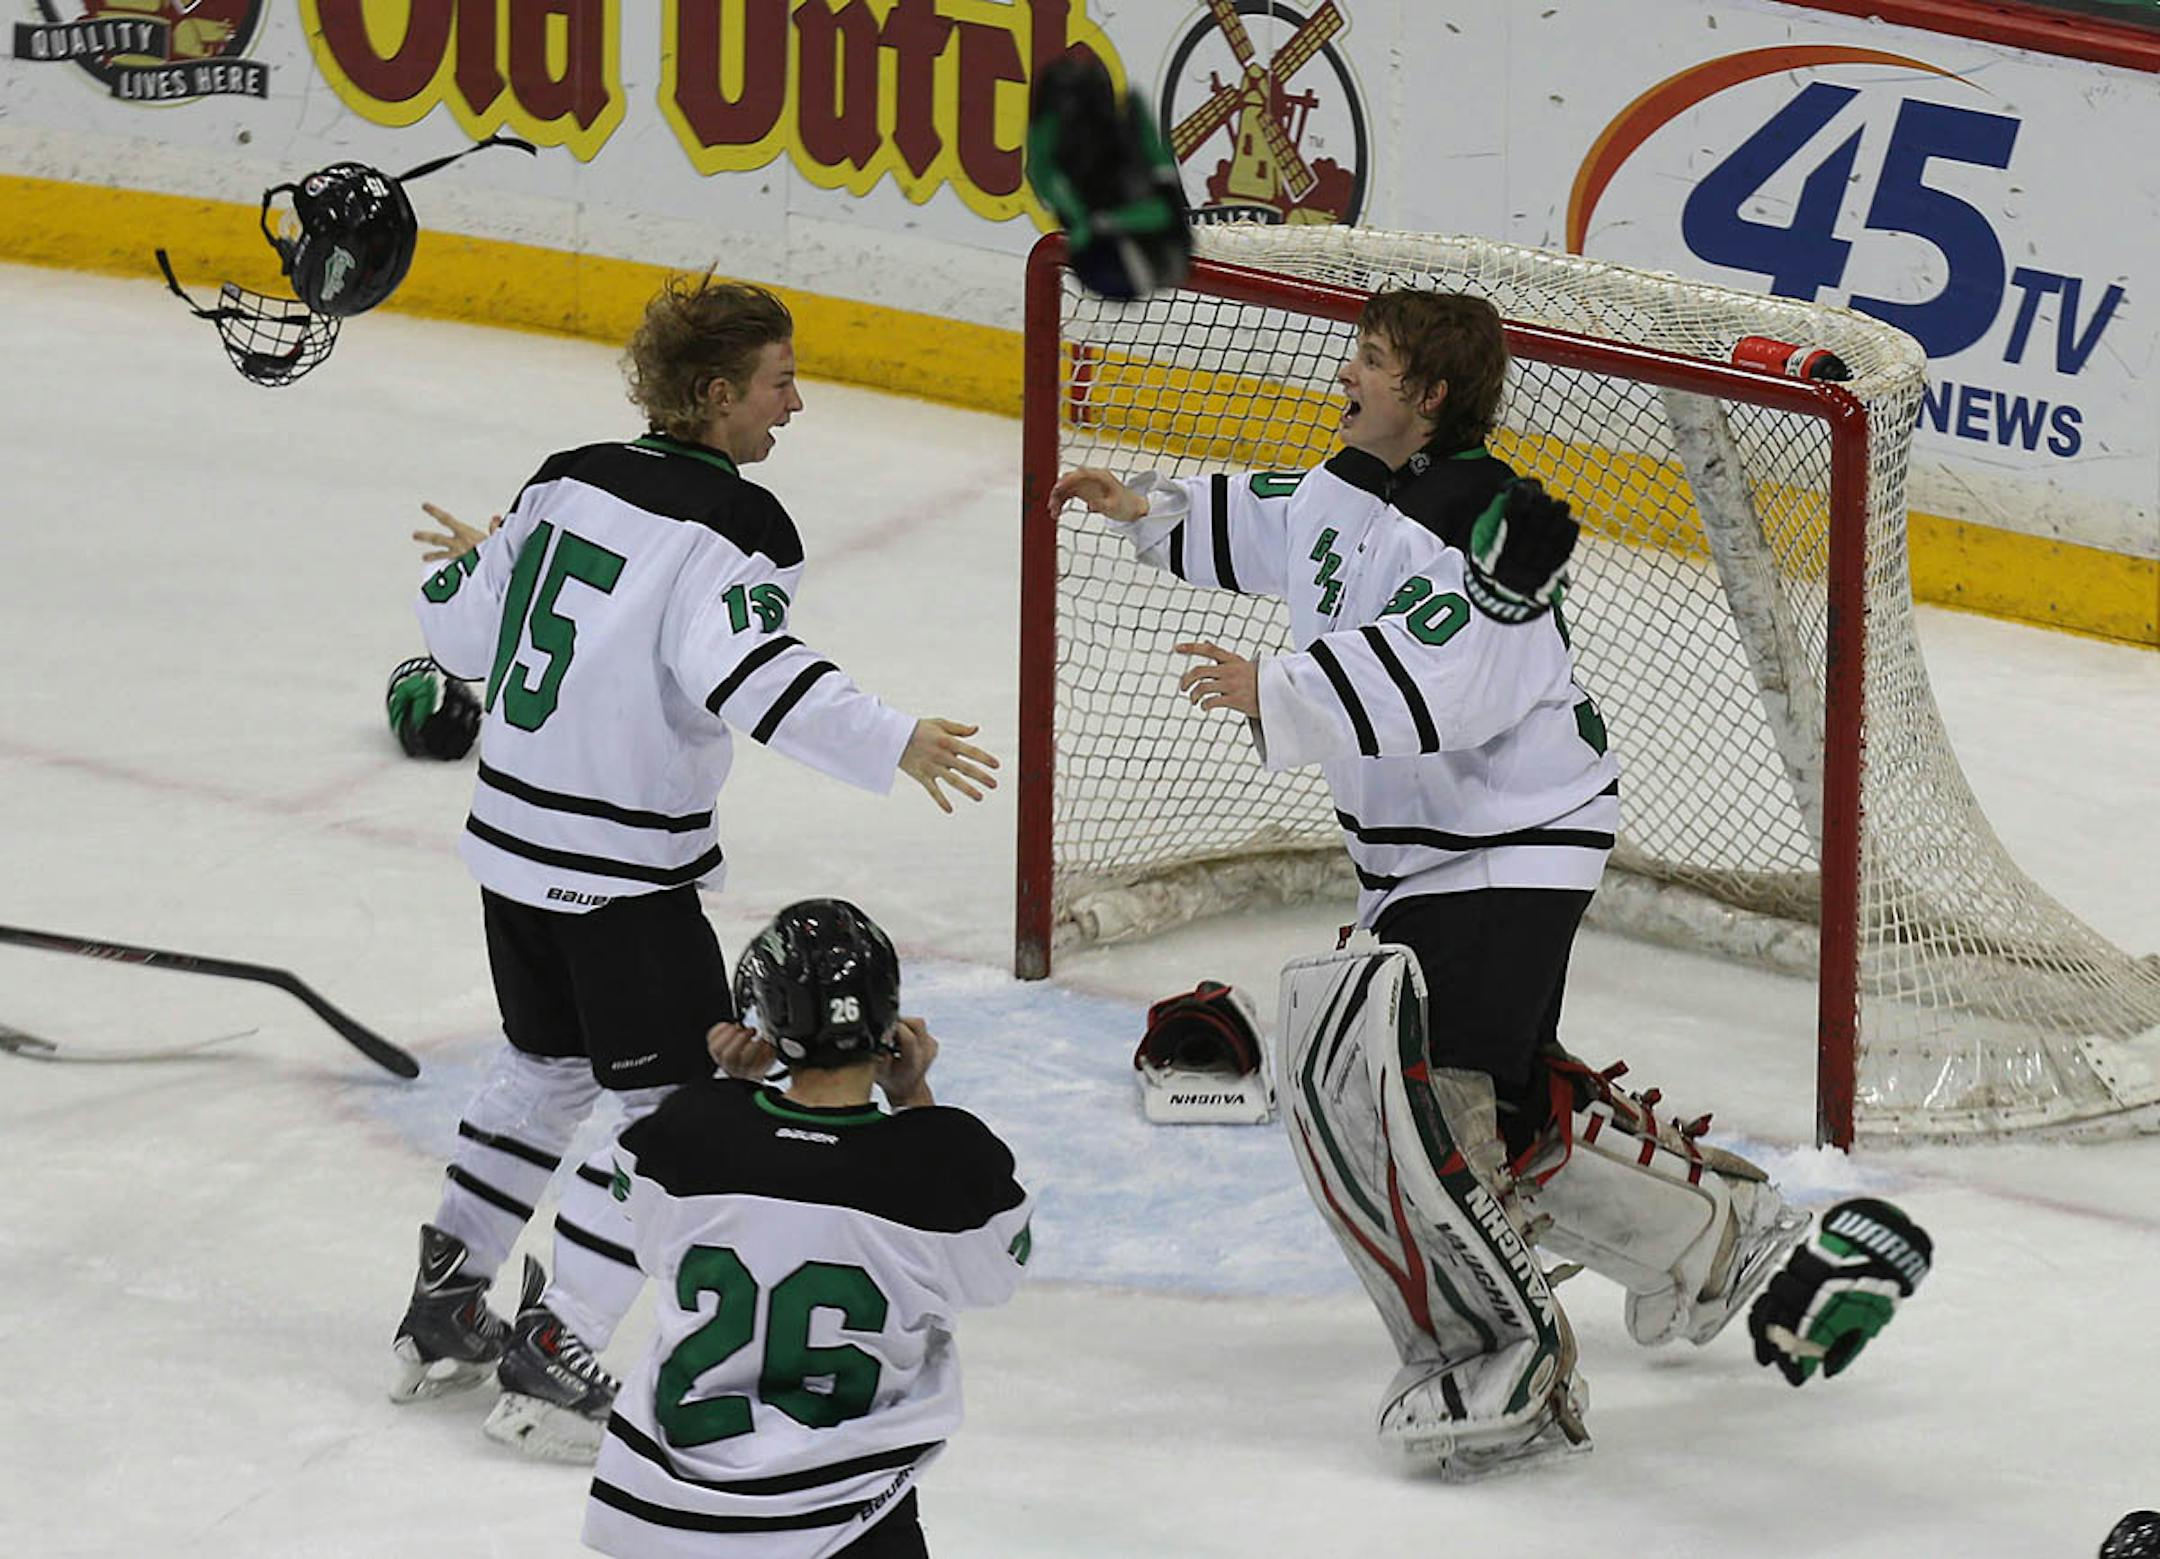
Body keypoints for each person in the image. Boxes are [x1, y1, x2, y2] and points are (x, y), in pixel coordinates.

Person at [1050, 287, 1805, 1476]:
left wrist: (1283, 692)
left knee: (1412, 1098)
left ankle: (1504, 1349)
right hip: (1425, 856)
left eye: (1371, 359)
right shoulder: (1350, 483)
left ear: (1432, 394)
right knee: (1495, 1107)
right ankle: (1710, 1233)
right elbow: (1275, 523)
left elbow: (1457, 671)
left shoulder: (1483, 524)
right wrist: (1146, 507)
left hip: (1510, 838)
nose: (1344, 371)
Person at [389, 271, 1001, 1463]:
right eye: (779, 382)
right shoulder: (741, 529)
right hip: (621, 877)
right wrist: (894, 737)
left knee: (545, 1069)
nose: (797, 403)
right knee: (681, 1120)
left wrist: (495, 558)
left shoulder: (566, 477)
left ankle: (447, 1303)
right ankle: (553, 1340)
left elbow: (457, 627)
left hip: (511, 854)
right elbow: (747, 672)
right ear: (717, 394)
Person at [585, 898, 1032, 1559]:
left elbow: (651, 1236)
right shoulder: (945, 1159)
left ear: (770, 1023)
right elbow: (993, 1275)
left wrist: (727, 1088)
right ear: (888, 1023)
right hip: (839, 1517)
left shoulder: (689, 1129)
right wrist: (913, 1100)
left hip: (663, 1516)